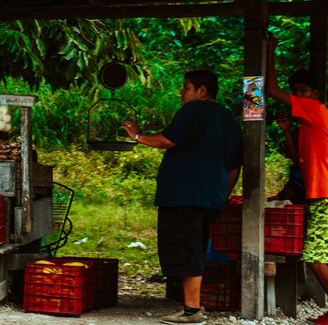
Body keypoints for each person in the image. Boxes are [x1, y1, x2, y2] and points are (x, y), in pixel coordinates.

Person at [121, 70, 242, 325]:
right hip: (209, 197)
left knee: (187, 252)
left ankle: (192, 310)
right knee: (195, 247)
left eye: (186, 87)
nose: (181, 93)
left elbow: (168, 140)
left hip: (185, 195)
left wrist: (137, 136)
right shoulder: (230, 119)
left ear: (202, 91)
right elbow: (234, 167)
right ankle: (189, 305)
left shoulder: (195, 111)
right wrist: (221, 195)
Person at [262, 35, 328, 324]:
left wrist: (269, 51)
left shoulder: (315, 110)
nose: (299, 95)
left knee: (314, 255)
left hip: (325, 194)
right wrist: (288, 130)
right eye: (296, 91)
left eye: (303, 90)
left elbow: (271, 88)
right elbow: (296, 157)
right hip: (317, 194)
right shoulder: (306, 123)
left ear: (315, 93)